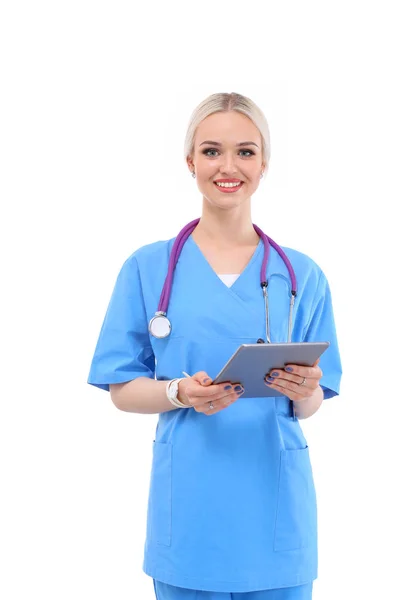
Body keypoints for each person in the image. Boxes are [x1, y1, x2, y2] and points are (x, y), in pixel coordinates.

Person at [87, 92, 342, 600]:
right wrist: (179, 392)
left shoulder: (301, 275)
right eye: (211, 151)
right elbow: (120, 388)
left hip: (275, 513)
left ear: (264, 163)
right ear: (190, 162)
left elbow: (313, 401)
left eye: (246, 152)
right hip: (190, 510)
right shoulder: (148, 268)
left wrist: (303, 388)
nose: (229, 166)